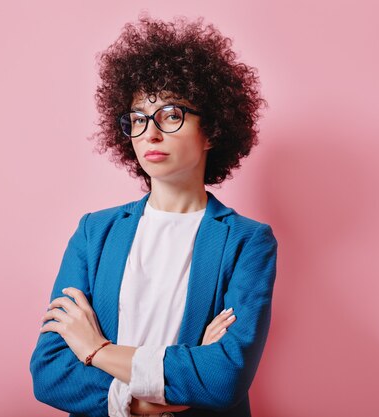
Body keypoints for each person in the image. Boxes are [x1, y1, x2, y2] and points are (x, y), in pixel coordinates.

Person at [29, 14, 278, 417]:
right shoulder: (95, 232)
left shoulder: (248, 241)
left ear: (211, 130)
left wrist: (95, 349)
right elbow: (50, 373)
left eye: (171, 114)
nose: (151, 133)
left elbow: (223, 378)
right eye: (139, 118)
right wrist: (142, 403)